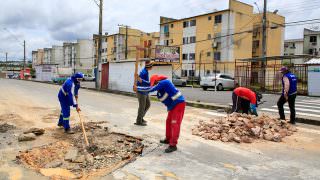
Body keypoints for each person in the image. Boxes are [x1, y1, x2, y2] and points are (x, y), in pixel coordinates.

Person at [134, 75, 185, 153]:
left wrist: (138, 88)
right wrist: (140, 81)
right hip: (172, 106)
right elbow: (149, 85)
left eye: (154, 83)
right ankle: (168, 139)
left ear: (157, 81)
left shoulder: (165, 82)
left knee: (174, 124)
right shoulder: (160, 88)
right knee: (168, 122)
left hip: (179, 104)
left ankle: (173, 145)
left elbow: (151, 88)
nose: (154, 85)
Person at [135, 61, 153, 126]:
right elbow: (140, 81)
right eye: (152, 66)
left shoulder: (146, 71)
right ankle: (139, 121)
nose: (152, 67)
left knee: (148, 104)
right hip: (141, 91)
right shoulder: (143, 72)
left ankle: (141, 117)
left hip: (145, 91)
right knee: (142, 106)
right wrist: (150, 83)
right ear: (149, 66)